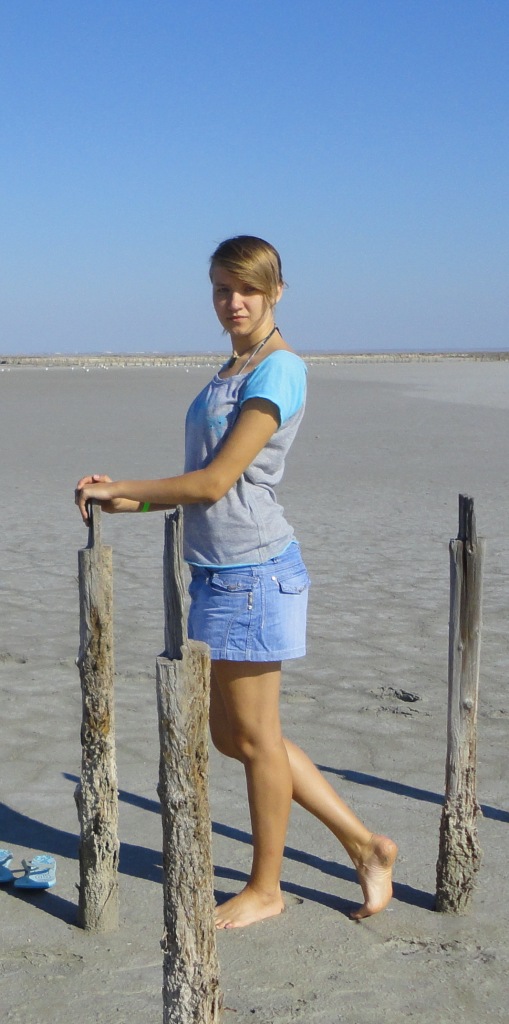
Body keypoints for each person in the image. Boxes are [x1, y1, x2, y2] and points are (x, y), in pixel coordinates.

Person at [75, 235, 397, 929]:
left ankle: (266, 887)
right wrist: (129, 503)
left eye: (248, 288)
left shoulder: (278, 370)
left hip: (253, 573)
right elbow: (203, 488)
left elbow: (216, 481)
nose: (234, 302)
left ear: (276, 291)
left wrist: (128, 484)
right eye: (223, 289)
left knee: (254, 741)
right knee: (237, 736)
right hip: (217, 575)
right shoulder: (231, 368)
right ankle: (365, 845)